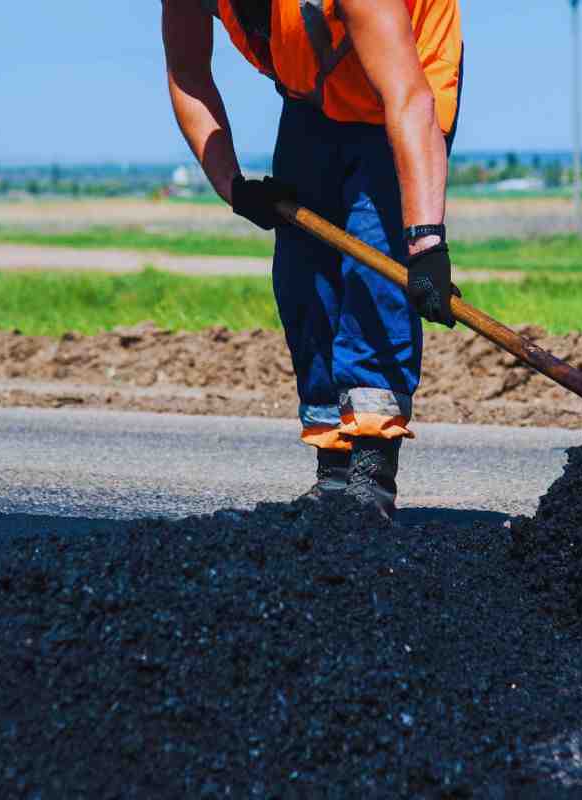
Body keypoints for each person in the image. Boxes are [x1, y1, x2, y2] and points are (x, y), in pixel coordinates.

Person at [162, 0, 463, 519]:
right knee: (304, 277)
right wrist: (233, 185)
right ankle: (334, 473)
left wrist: (426, 243)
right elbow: (188, 75)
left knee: (375, 271)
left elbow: (409, 99)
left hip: (404, 84)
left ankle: (372, 476)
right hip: (314, 100)